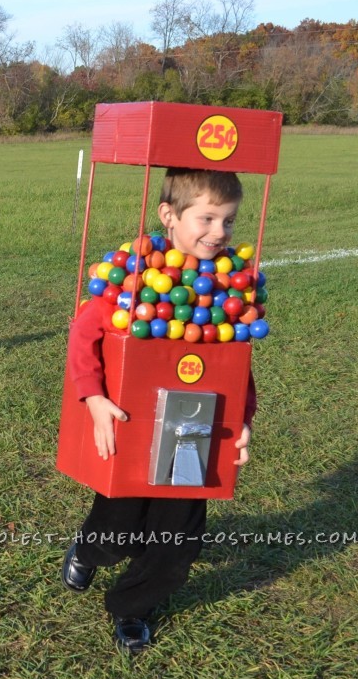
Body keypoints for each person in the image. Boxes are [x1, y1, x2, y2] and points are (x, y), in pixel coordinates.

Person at [62, 167, 256, 653]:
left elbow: (234, 363)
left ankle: (132, 608)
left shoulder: (229, 288)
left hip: (193, 431)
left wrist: (244, 420)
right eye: (207, 218)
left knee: (176, 543)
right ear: (169, 216)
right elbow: (84, 335)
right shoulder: (132, 276)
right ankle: (89, 549)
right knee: (118, 528)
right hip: (130, 423)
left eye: (229, 221)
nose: (219, 232)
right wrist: (94, 398)